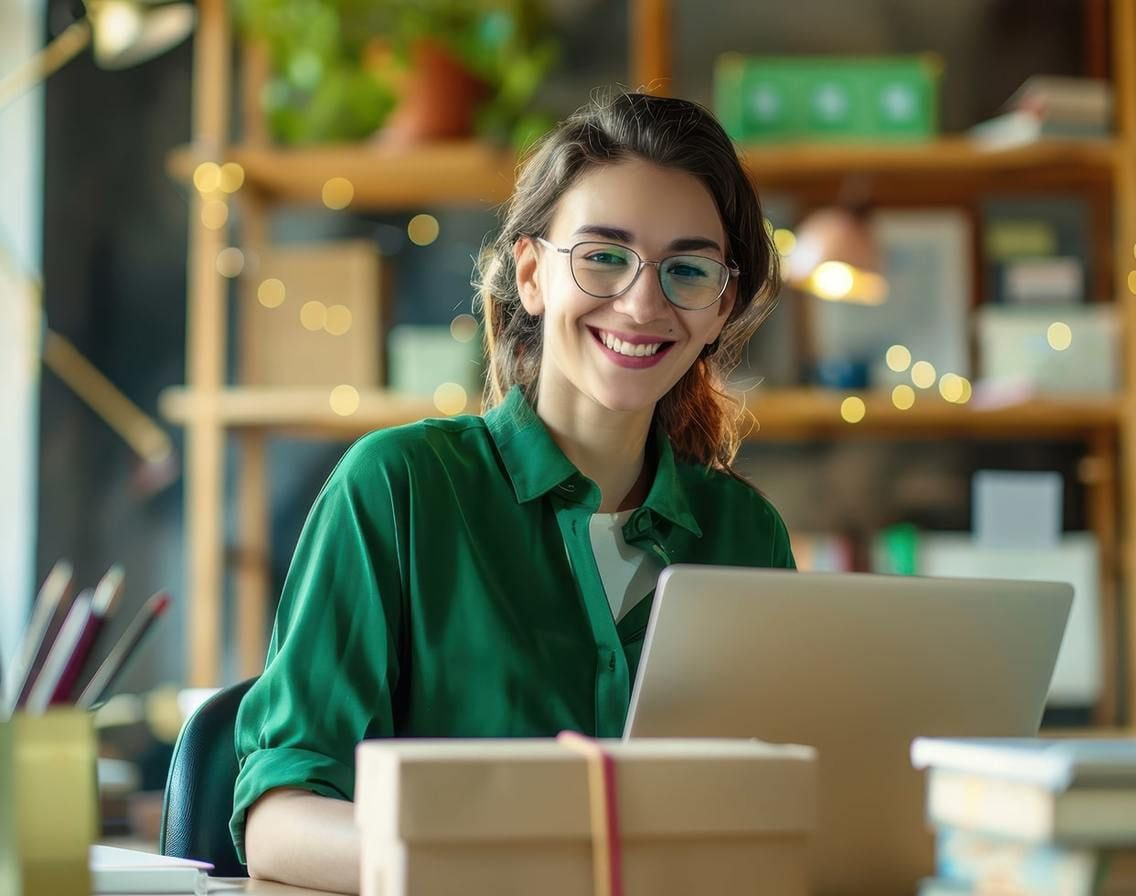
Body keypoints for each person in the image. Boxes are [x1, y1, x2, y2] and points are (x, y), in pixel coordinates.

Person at [233, 89, 796, 893]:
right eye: (603, 256)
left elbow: (778, 815)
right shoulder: (397, 488)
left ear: (721, 306)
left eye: (688, 270)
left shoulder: (747, 534)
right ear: (532, 274)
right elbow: (278, 822)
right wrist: (501, 870)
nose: (644, 303)